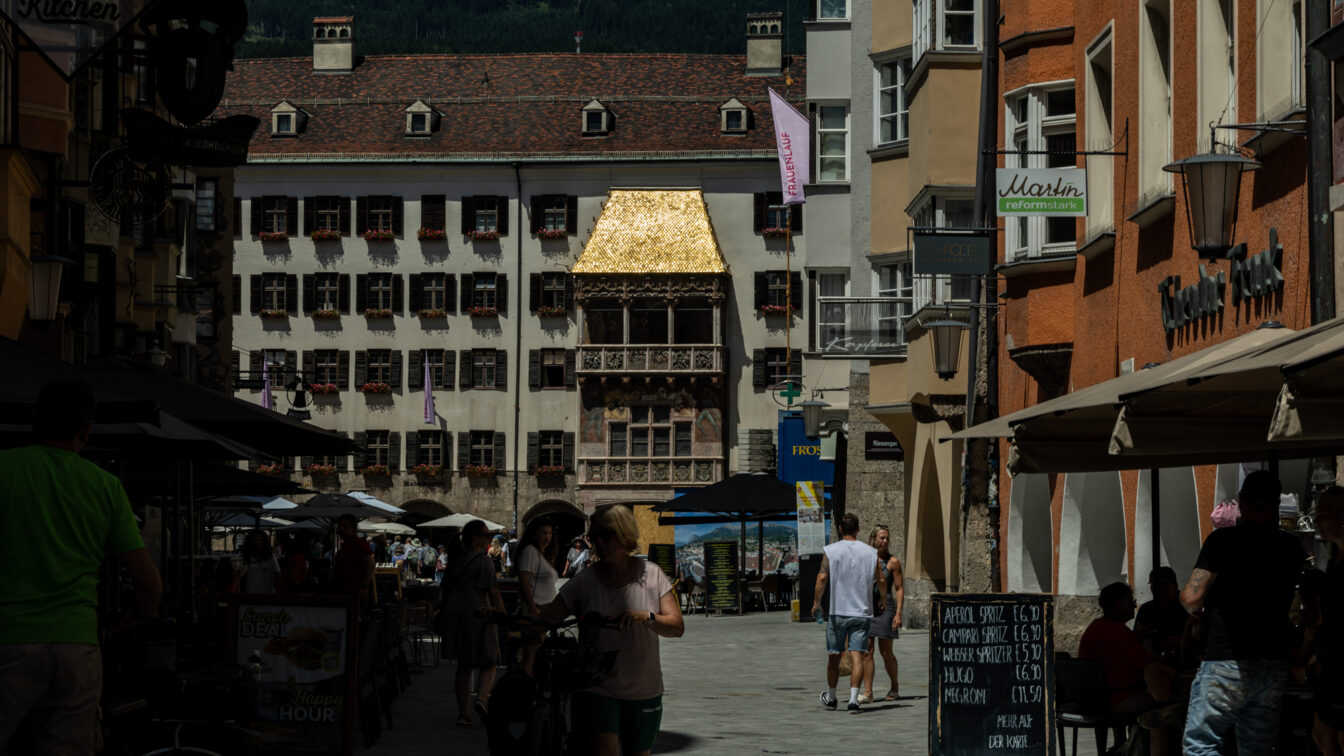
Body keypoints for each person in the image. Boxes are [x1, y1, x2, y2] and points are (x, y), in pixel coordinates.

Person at [0, 379, 163, 755]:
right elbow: (149, 586)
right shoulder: (106, 487)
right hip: (77, 647)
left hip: (8, 641)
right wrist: (136, 617)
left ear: (34, 419)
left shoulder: (4, 469)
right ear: (87, 429)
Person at [536, 504, 685, 756]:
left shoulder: (652, 575)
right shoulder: (583, 581)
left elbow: (677, 626)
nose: (598, 543)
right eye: (594, 537)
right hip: (597, 684)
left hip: (643, 687)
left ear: (624, 535)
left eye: (606, 536)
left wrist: (646, 617)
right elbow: (547, 617)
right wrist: (514, 622)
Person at [1180, 470, 1307, 754]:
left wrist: (1196, 611)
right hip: (1273, 661)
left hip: (1226, 659)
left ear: (1242, 501)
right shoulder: (1292, 547)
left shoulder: (1222, 542)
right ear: (1275, 504)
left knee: (1201, 745)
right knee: (1257, 748)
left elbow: (1191, 596)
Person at [812, 512, 883, 713]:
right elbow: (882, 580)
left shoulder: (831, 550)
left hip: (838, 612)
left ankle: (832, 697)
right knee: (857, 656)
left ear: (840, 529)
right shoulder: (870, 552)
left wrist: (817, 603)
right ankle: (853, 699)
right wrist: (883, 599)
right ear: (859, 529)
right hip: (861, 612)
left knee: (834, 656)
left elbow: (822, 577)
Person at [441, 519, 506, 726]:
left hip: (455, 613)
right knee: (490, 657)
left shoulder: (456, 559)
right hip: (479, 611)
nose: (489, 538)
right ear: (476, 537)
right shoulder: (482, 560)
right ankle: (481, 698)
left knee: (464, 664)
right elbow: (493, 591)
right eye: (487, 535)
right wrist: (504, 616)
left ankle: (463, 714)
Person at [1312, 486, 1344, 755]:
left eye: (1322, 515)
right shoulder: (1334, 560)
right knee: (1322, 734)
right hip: (1332, 666)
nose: (1316, 522)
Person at [860, 524, 904, 703]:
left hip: (886, 610)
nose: (885, 541)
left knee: (886, 652)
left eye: (887, 538)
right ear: (873, 539)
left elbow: (900, 588)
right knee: (867, 651)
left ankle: (894, 686)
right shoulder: (865, 559)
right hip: (867, 609)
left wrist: (898, 613)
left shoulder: (893, 562)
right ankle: (868, 692)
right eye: (882, 538)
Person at [516, 517, 560, 675]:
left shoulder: (543, 555)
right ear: (534, 534)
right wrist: (532, 607)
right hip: (537, 608)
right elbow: (524, 581)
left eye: (549, 533)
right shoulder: (530, 551)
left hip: (546, 610)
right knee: (530, 653)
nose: (547, 536)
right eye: (543, 532)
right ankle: (526, 687)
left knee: (538, 652)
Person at [1135, 566, 1189, 660]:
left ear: (1175, 586)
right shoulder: (1146, 610)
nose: (1160, 591)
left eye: (1165, 586)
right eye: (1155, 587)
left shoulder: (1188, 609)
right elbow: (1137, 641)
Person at [332, 514, 375, 604]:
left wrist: (364, 586)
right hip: (343, 590)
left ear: (353, 528)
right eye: (340, 526)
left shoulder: (358, 543)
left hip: (354, 592)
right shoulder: (345, 544)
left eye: (345, 526)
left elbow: (370, 563)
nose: (341, 529)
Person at [235, 530, 280, 594]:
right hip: (250, 594)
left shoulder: (270, 557)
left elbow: (278, 574)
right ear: (250, 542)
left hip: (267, 594)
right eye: (254, 540)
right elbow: (239, 577)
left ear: (264, 542)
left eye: (260, 540)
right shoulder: (247, 557)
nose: (257, 542)